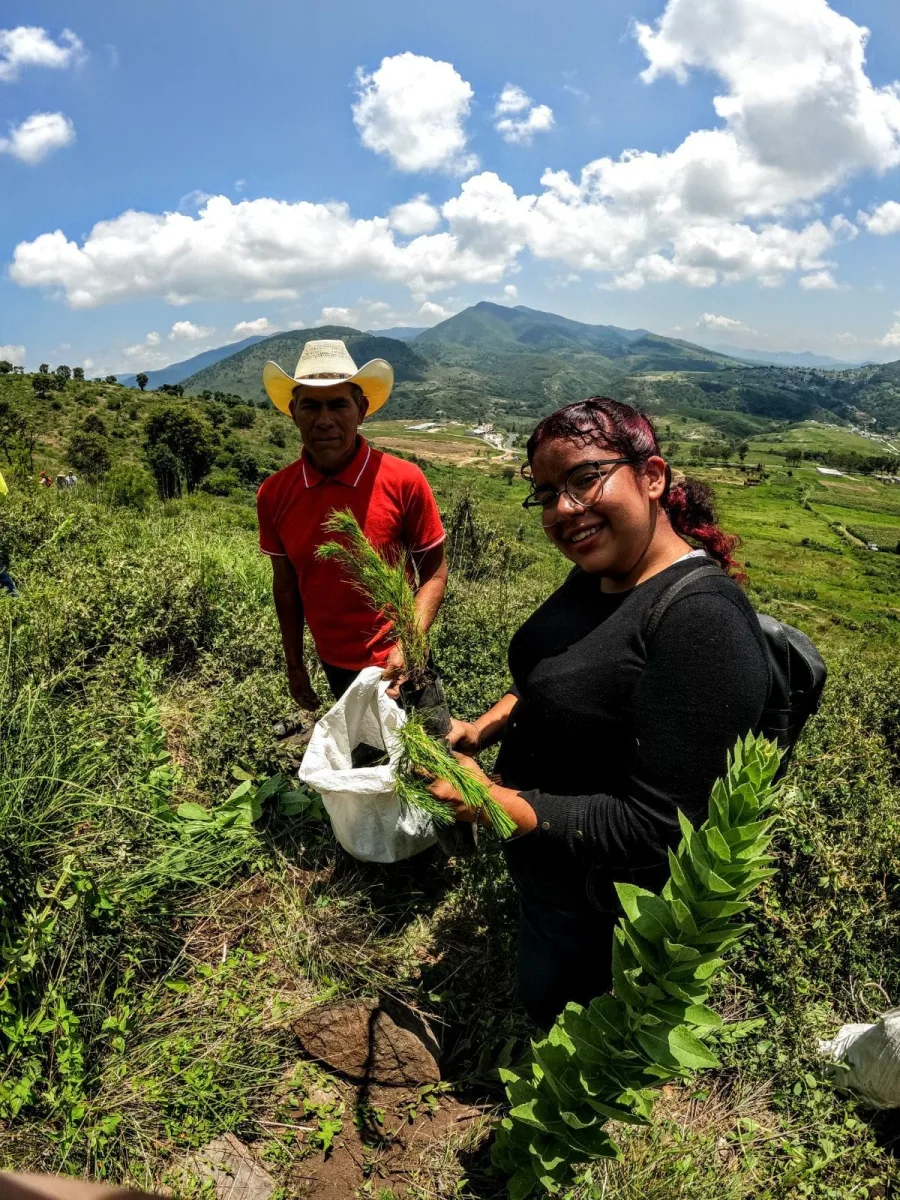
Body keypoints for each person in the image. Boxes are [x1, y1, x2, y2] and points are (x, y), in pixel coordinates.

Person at [434, 397, 769, 1028]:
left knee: (559, 1012)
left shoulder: (702, 622)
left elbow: (661, 824)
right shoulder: (604, 571)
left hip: (597, 897)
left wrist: (491, 802)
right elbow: (562, 670)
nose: (563, 508)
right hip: (549, 860)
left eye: (585, 478)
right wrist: (487, 724)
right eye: (545, 493)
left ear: (652, 476)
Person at [256, 339, 448, 708]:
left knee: (433, 754)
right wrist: (294, 666)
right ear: (293, 411)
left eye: (338, 404)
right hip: (334, 664)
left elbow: (434, 574)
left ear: (360, 409)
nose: (324, 420)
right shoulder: (274, 493)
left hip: (405, 662)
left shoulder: (404, 479)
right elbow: (286, 587)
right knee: (365, 758)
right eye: (311, 405)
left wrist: (410, 642)